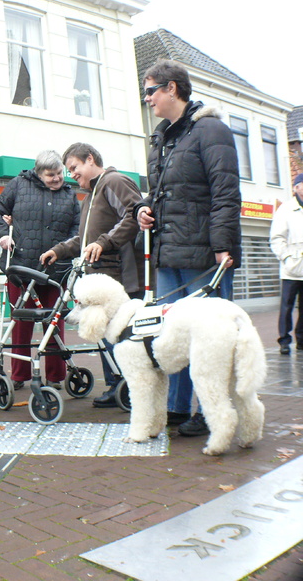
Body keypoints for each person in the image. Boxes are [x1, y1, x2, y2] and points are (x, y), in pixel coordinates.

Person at [135, 59, 241, 437]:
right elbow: (163, 193)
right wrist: (143, 210)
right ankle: (177, 407)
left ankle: (212, 411)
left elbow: (226, 191)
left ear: (172, 89)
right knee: (171, 336)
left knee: (212, 340)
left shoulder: (211, 130)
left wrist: (223, 246)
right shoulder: (163, 138)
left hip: (203, 256)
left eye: (150, 90)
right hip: (169, 252)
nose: (147, 99)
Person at [41, 142, 142, 407]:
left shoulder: (114, 182)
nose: (72, 174)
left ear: (89, 159)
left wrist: (105, 242)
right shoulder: (92, 193)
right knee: (109, 337)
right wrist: (60, 250)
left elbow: (133, 216)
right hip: (104, 278)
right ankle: (118, 387)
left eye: (74, 167)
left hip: (118, 278)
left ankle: (130, 389)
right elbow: (87, 240)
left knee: (122, 338)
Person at [0, 150, 80, 390]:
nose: (57, 178)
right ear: (39, 174)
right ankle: (19, 376)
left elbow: (76, 229)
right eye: (50, 175)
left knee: (54, 323)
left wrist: (67, 250)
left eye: (59, 173)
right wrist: (1, 236)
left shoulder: (70, 196)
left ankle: (55, 376)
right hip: (21, 268)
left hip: (56, 270)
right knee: (20, 323)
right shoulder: (18, 185)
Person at [270, 173, 303, 355]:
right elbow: (276, 238)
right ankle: (284, 340)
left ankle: (302, 340)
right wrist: (287, 258)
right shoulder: (286, 210)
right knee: (287, 306)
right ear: (296, 188)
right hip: (292, 268)